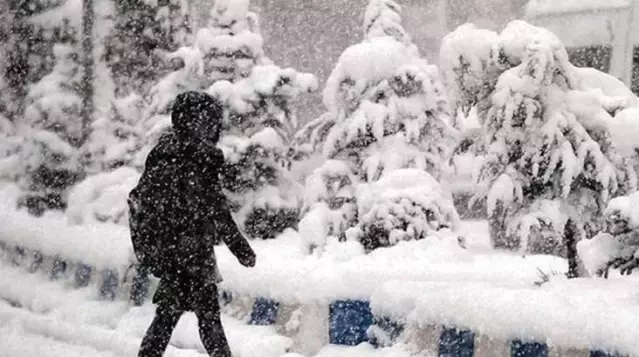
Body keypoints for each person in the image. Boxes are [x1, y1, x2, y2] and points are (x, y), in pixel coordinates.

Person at [129, 91, 256, 357]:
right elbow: (218, 211)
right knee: (208, 321)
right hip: (194, 256)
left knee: (166, 319)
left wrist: (150, 248)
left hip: (169, 254)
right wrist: (241, 249)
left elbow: (139, 201)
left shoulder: (161, 155)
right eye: (210, 122)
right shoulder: (201, 160)